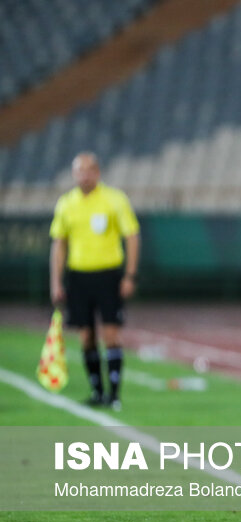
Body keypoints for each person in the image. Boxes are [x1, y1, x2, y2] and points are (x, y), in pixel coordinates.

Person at [49, 152, 140, 411]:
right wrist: (56, 282)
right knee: (86, 336)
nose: (85, 175)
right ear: (74, 174)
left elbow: (132, 236)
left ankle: (114, 393)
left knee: (111, 333)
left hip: (108, 275)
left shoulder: (114, 200)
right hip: (78, 276)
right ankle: (97, 391)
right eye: (80, 171)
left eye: (89, 170)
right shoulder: (66, 203)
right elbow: (59, 244)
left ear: (97, 172)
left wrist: (130, 274)